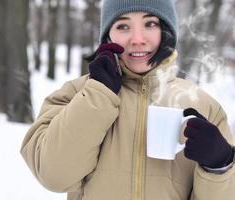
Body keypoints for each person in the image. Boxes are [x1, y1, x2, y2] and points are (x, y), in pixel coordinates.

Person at [21, 0, 235, 199]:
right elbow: (54, 176)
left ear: (166, 32)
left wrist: (219, 166)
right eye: (123, 26)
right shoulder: (75, 94)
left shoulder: (203, 105)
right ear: (108, 36)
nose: (138, 39)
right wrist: (98, 94)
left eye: (150, 23)